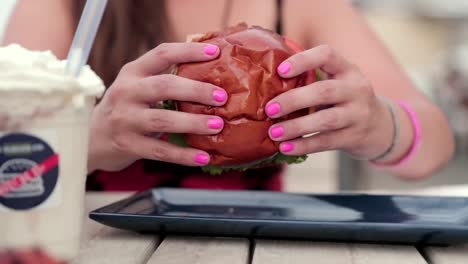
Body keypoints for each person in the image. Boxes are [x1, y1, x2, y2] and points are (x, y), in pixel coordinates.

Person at [3, 0, 454, 191]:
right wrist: (89, 141)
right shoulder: (68, 6)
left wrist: (381, 126)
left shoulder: (299, 6)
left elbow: (434, 145)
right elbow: (7, 166)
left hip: (254, 247)